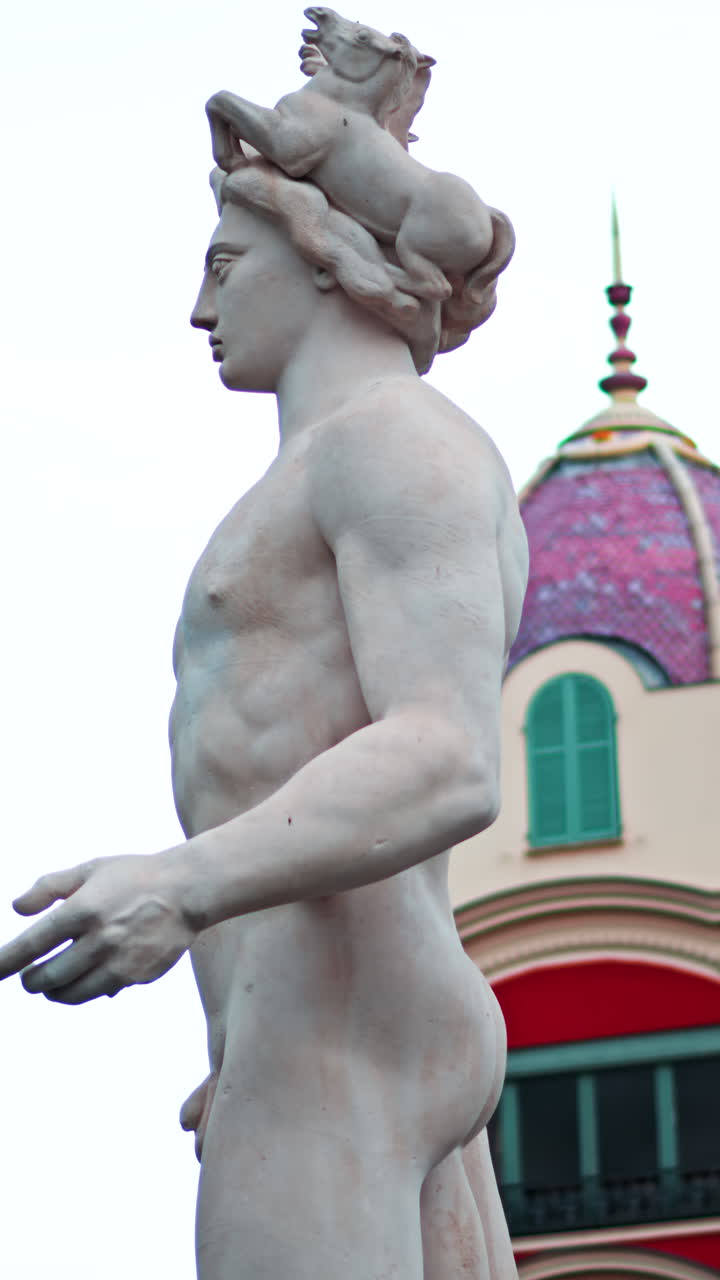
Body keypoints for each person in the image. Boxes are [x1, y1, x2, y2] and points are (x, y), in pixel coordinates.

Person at [0, 144, 526, 1279]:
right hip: (321, 1010)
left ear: (329, 260)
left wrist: (180, 882)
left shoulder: (392, 441)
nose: (202, 306)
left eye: (229, 263)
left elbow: (447, 753)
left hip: (335, 1012)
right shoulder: (342, 461)